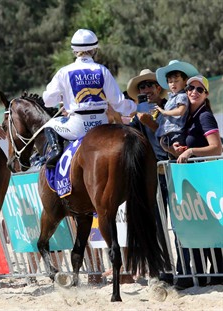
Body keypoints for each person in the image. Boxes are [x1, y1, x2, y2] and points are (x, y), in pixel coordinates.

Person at [43, 28, 137, 168]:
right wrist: (136, 106)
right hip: (102, 123)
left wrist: (63, 96)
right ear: (94, 50)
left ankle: (56, 152)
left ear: (74, 51)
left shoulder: (64, 72)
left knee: (49, 125)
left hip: (78, 126)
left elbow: (48, 101)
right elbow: (118, 103)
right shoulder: (102, 70)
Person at [171, 75, 223, 287]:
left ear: (206, 95)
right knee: (199, 229)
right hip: (192, 180)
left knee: (209, 230)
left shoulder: (205, 117)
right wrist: (176, 148)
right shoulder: (187, 117)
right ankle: (204, 276)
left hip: (205, 181)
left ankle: (217, 274)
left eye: (199, 90)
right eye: (190, 88)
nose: (193, 92)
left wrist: (192, 150)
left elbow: (217, 147)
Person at [127, 69, 173, 284]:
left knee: (181, 223)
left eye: (149, 85)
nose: (145, 89)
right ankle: (165, 269)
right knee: (158, 224)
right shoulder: (139, 113)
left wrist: (150, 122)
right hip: (154, 174)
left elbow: (169, 134)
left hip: (173, 167)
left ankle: (184, 267)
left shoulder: (170, 105)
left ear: (158, 87)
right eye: (141, 87)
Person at [155, 60, 199, 157]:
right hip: (168, 133)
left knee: (177, 153)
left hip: (176, 132)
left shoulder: (182, 96)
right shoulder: (172, 98)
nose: (173, 84)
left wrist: (164, 112)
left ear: (185, 81)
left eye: (176, 81)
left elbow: (180, 111)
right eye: (170, 82)